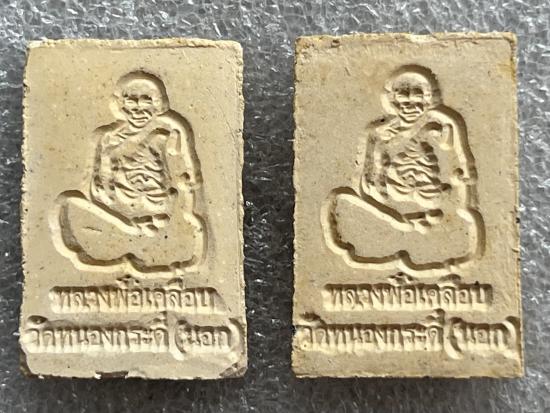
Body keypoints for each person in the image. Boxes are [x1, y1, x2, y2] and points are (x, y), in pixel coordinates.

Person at [325, 66, 484, 273]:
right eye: (404, 100)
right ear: (393, 101)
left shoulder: (440, 126)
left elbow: (463, 170)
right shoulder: (378, 133)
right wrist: (396, 218)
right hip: (388, 211)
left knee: (450, 225)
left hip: (434, 213)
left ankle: (422, 245)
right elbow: (364, 187)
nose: (410, 107)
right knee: (340, 200)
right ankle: (401, 243)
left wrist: (461, 175)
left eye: (418, 100)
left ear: (428, 100)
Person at [53, 71, 205, 273]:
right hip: (113, 216)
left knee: (180, 236)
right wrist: (123, 221)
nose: (138, 110)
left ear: (158, 104)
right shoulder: (105, 137)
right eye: (131, 103)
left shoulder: (169, 132)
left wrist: (180, 200)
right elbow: (90, 190)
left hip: (160, 218)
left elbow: (189, 180)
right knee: (67, 203)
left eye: (146, 103)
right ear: (120, 105)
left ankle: (148, 253)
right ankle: (123, 251)